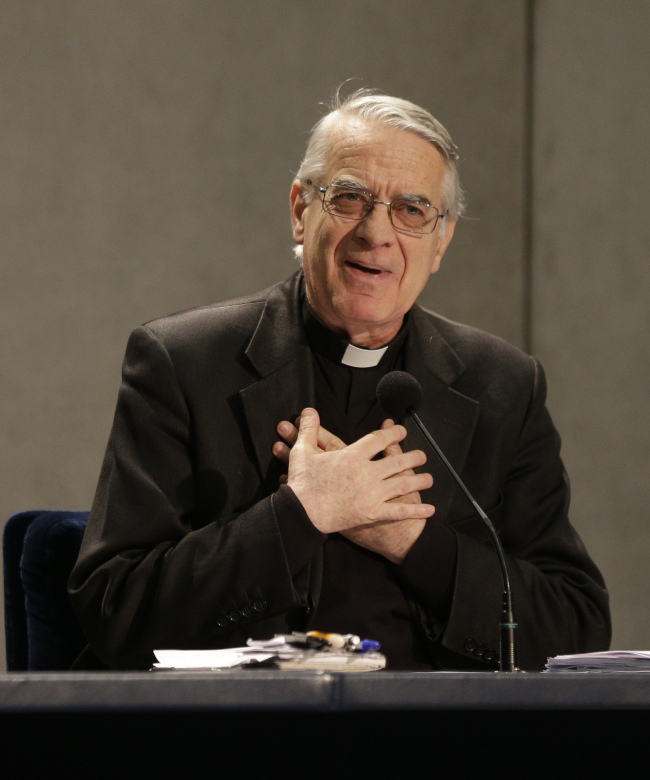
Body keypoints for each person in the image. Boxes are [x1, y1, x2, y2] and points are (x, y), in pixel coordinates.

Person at [69, 89, 610, 671]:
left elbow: (574, 625)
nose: (376, 233)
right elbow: (113, 607)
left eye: (411, 210)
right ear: (302, 211)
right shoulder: (183, 362)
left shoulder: (503, 385)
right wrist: (303, 512)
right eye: (350, 198)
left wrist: (409, 540)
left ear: (441, 240)